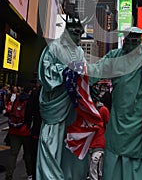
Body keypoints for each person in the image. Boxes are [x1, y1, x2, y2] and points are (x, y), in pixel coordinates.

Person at [67, 26, 142, 180]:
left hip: (139, 122)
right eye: (129, 38)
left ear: (141, 40)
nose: (132, 41)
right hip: (118, 119)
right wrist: (77, 69)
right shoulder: (114, 56)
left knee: (138, 158)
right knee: (115, 153)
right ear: (124, 39)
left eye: (136, 39)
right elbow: (97, 70)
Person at [36, 14, 89, 180]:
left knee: (71, 145)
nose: (78, 37)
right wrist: (64, 72)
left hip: (72, 106)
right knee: (50, 143)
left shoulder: (80, 51)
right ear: (66, 31)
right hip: (55, 106)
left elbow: (83, 75)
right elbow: (44, 73)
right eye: (75, 32)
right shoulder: (53, 48)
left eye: (80, 33)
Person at [5, 86, 33, 180]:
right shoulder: (30, 101)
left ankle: (9, 175)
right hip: (26, 131)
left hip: (14, 130)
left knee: (13, 154)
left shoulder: (16, 99)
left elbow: (9, 111)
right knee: (27, 154)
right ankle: (30, 174)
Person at [87, 87, 110, 180]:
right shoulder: (88, 110)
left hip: (99, 141)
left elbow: (107, 124)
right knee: (92, 164)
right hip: (91, 141)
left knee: (95, 162)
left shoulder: (103, 110)